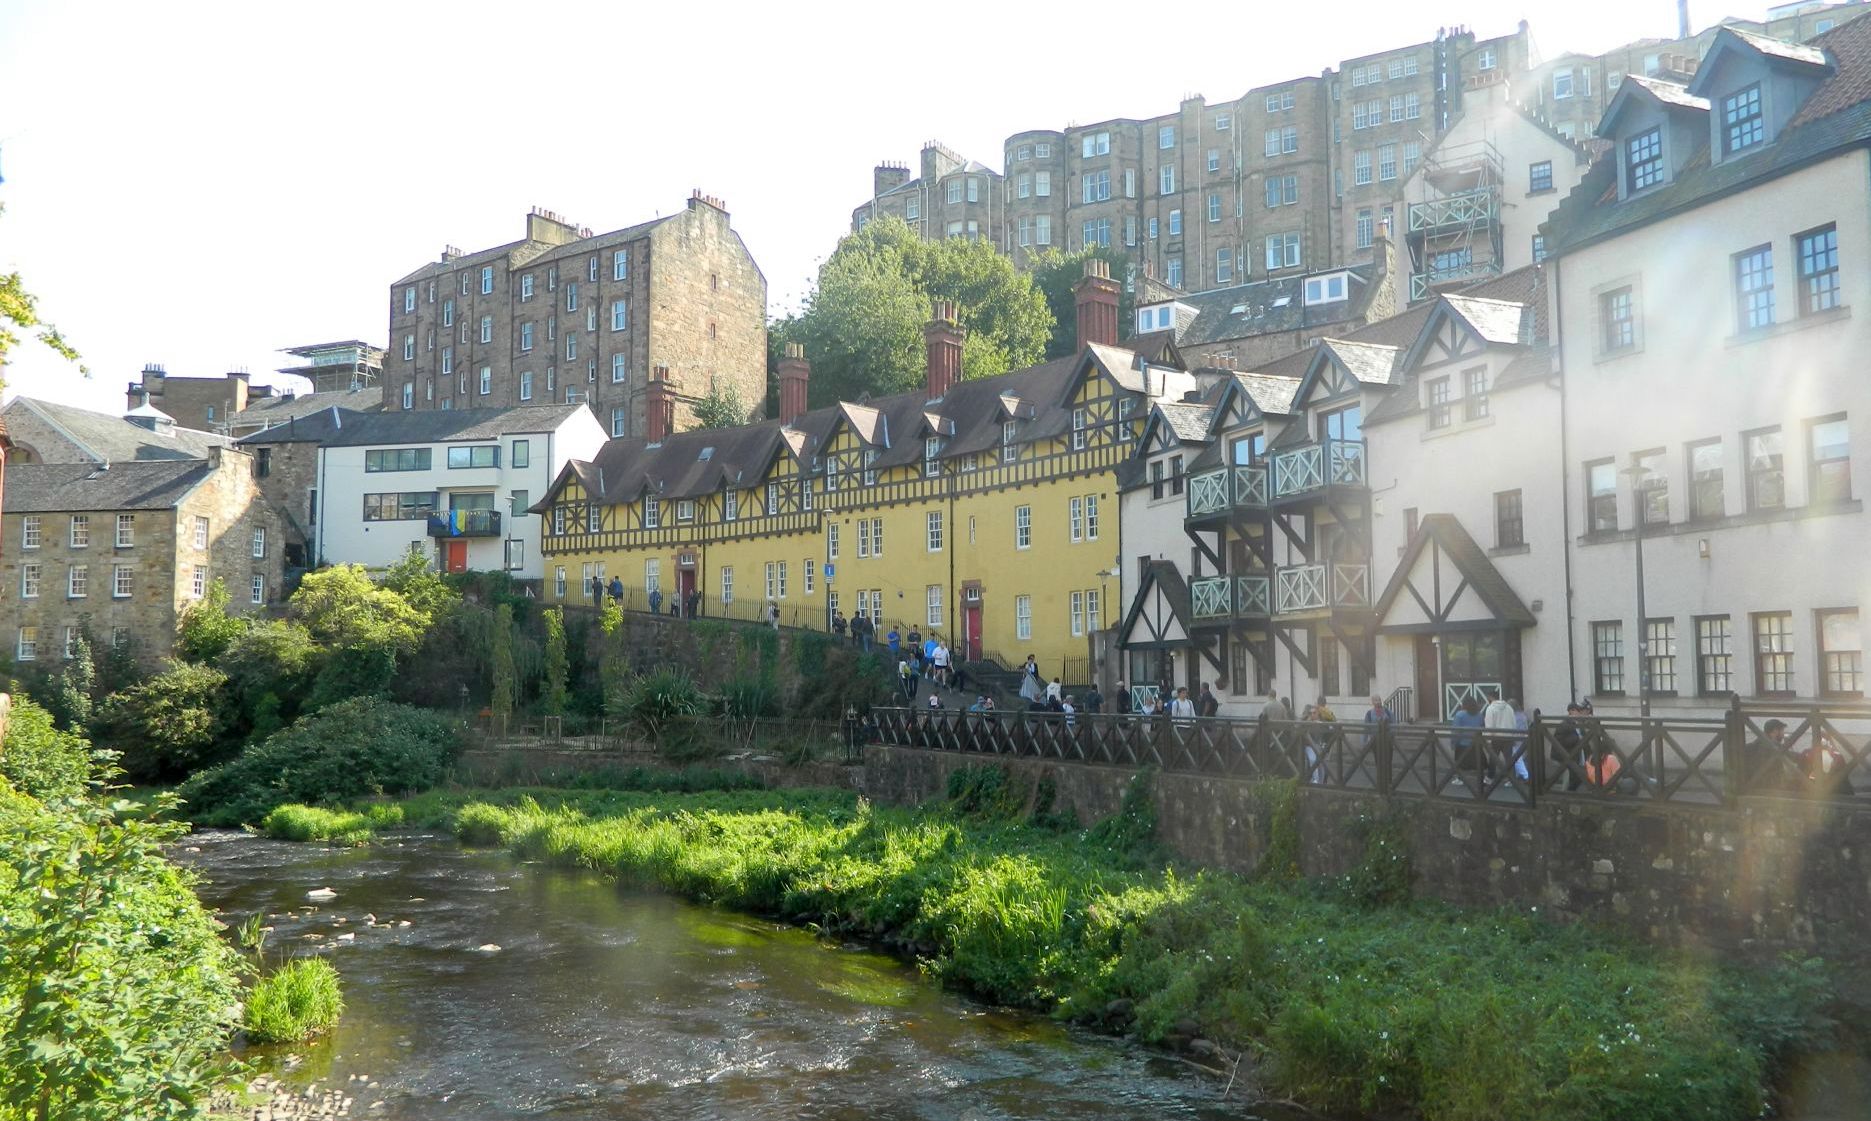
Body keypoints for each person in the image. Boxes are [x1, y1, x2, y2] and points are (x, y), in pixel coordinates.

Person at [1743, 719, 1800, 795]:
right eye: (1782, 731)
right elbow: (1794, 757)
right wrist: (1806, 755)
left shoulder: (1757, 743)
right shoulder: (1773, 745)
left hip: (1756, 786)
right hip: (1771, 787)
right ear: (1775, 731)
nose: (1783, 734)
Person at [1483, 695, 1516, 781]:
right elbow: (1513, 722)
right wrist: (1514, 736)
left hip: (1495, 738)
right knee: (1509, 759)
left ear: (1490, 698)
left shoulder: (1490, 708)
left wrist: (1488, 740)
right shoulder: (1509, 707)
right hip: (1508, 736)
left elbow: (1489, 725)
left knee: (1493, 758)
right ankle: (1512, 779)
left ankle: (1490, 777)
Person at [1451, 697, 1485, 775]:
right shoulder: (1480, 715)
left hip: (1463, 744)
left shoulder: (1459, 715)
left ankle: (1460, 778)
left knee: (1460, 764)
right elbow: (1482, 728)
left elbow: (1456, 731)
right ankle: (1479, 782)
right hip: (1476, 743)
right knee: (1478, 764)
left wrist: (1453, 743)